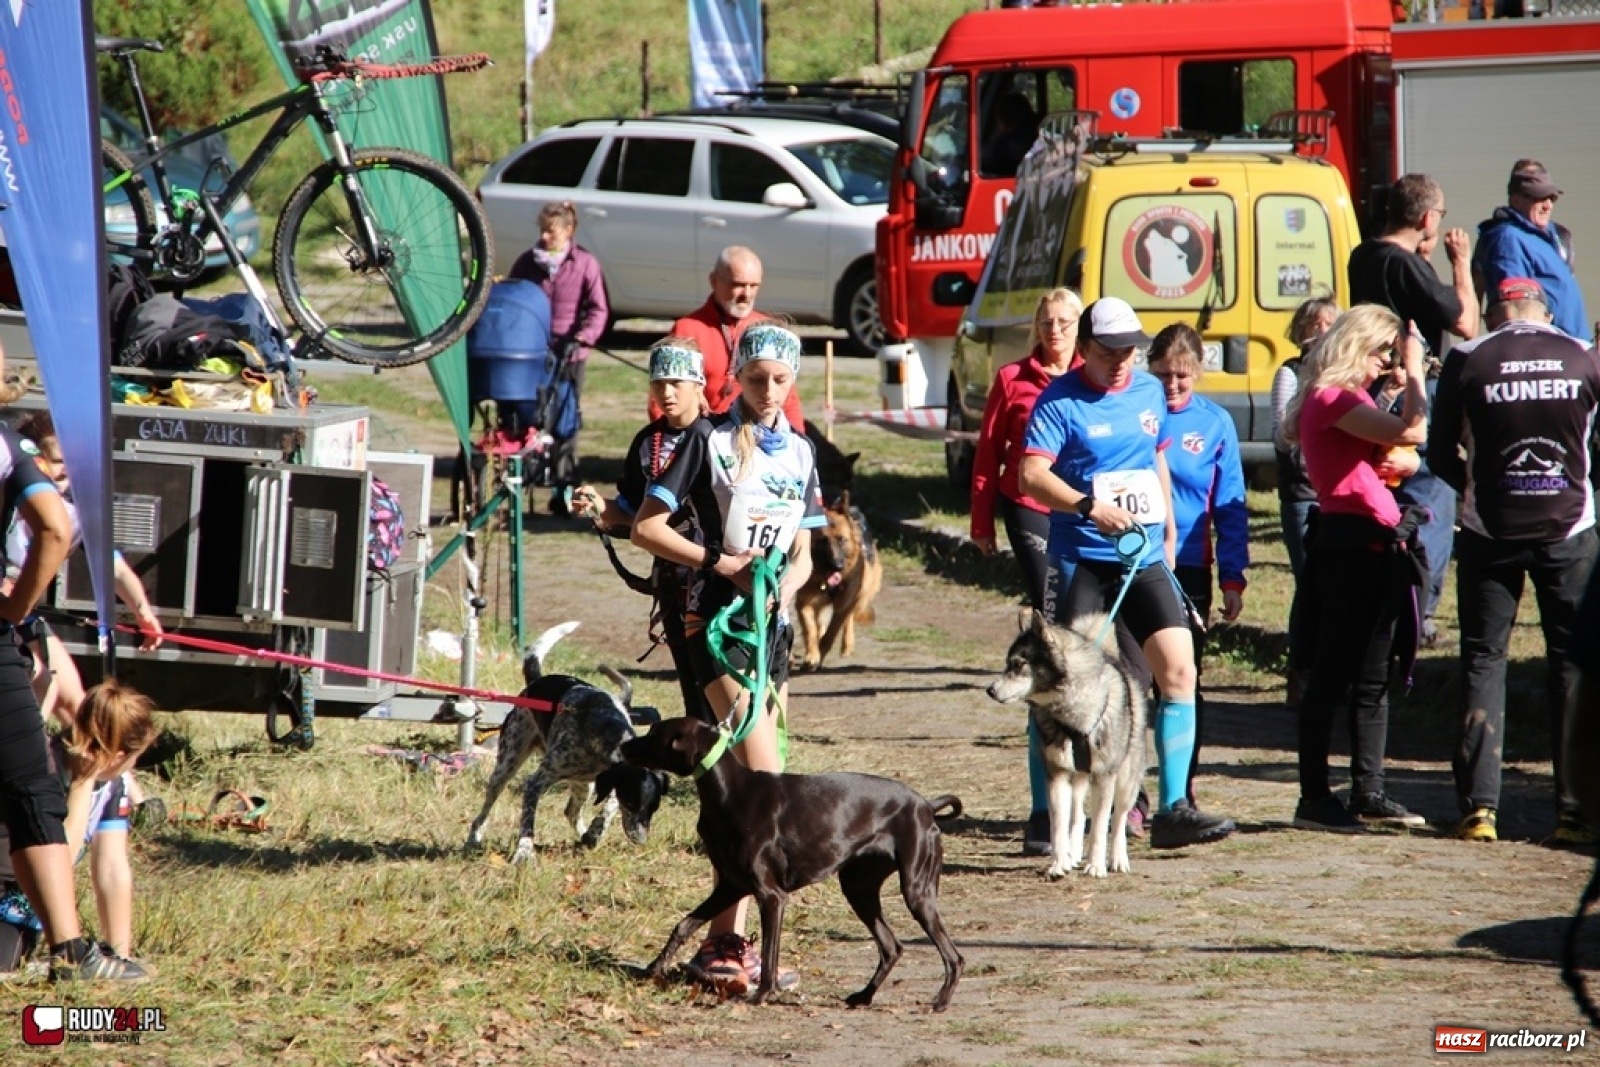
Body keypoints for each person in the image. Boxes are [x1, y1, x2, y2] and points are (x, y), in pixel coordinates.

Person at [631, 322, 824, 996]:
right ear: (735, 377)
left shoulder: (800, 451)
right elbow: (646, 527)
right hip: (711, 624)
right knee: (764, 785)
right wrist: (724, 564)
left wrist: (788, 584)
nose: (768, 391)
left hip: (771, 630)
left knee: (753, 786)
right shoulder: (705, 441)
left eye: (780, 380)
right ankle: (724, 942)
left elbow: (802, 544)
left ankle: (728, 941)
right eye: (756, 378)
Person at [1018, 297, 1236, 850]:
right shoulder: (1058, 401)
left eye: (1130, 350)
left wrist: (1164, 526)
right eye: (1110, 350)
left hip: (1143, 557)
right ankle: (1046, 814)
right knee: (1060, 685)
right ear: (1086, 347)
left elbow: (1155, 455)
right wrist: (1087, 505)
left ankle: (1173, 808)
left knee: (1179, 672)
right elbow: (1031, 476)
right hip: (1081, 558)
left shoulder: (1146, 391)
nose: (1122, 360)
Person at [1427, 277, 1600, 845]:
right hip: (1570, 527)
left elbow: (1437, 450)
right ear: (1545, 313)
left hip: (1488, 527)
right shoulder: (1582, 356)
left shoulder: (1469, 358)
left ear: (1497, 311)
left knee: (1483, 659)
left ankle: (1479, 810)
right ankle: (1575, 810)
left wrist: (1472, 487)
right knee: (1572, 665)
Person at [0, 422, 140, 979]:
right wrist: (83, 782)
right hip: (17, 889)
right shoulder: (9, 446)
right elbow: (53, 529)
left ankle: (73, 951)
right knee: (31, 790)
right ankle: (71, 950)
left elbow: (113, 871)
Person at [1283, 304, 1429, 832]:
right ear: (1354, 348)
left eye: (1389, 356)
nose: (1381, 366)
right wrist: (1413, 372)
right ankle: (1315, 798)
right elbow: (1412, 433)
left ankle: (1368, 788)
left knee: (1374, 676)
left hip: (1375, 542)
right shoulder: (1331, 397)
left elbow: (1407, 451)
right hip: (1347, 546)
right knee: (1331, 676)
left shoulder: (1353, 399)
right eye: (1378, 355)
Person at [969, 288, 1083, 856]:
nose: (1055, 330)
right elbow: (989, 450)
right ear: (1035, 327)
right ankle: (1043, 811)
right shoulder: (1014, 376)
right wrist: (981, 520)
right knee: (1051, 631)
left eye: (1064, 321)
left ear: (1079, 325)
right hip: (1028, 508)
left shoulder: (1094, 378)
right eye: (1046, 322)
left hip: (1085, 515)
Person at [1348, 173, 1474, 647]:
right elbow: (1464, 321)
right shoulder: (1406, 265)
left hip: (1373, 387)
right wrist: (1460, 263)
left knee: (1382, 491)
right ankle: (1419, 613)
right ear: (1426, 217)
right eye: (1438, 216)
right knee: (1430, 496)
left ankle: (1383, 599)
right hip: (1414, 387)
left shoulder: (1364, 256)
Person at [571, 337, 713, 723]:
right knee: (691, 681)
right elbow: (630, 510)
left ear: (698, 384)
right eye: (658, 383)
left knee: (723, 678)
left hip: (719, 577)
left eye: (676, 383)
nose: (666, 392)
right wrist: (600, 507)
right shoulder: (646, 443)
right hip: (671, 579)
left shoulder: (720, 437)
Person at [5, 412, 163, 728]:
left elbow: (112, 566)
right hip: (8, 613)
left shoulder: (72, 513)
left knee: (75, 704)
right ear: (33, 457)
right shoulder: (11, 498)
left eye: (73, 462)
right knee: (41, 691)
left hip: (21, 617)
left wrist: (143, 613)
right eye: (58, 460)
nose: (67, 470)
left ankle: (85, 773)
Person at [1146, 324, 1248, 805]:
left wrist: (1233, 575)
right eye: (1163, 374)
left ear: (1198, 372)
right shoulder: (1135, 412)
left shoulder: (1215, 423)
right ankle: (1131, 797)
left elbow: (1230, 504)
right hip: (1132, 562)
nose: (1172, 385)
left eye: (1182, 377)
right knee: (1134, 683)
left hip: (1188, 567)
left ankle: (1179, 791)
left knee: (1183, 680)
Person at [0, 681, 157, 974]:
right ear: (119, 757)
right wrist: (82, 784)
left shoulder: (113, 784)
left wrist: (119, 954)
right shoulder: (44, 769)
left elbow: (112, 868)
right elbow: (57, 857)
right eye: (136, 758)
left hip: (25, 912)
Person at [508, 200, 611, 516]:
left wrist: (583, 337)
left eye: (551, 231)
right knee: (529, 413)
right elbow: (514, 297)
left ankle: (563, 486)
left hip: (571, 354)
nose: (545, 237)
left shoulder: (584, 264)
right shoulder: (528, 262)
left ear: (568, 231)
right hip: (533, 353)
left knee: (566, 418)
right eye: (542, 230)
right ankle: (522, 475)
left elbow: (598, 309)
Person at [655, 247, 805, 433]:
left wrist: (796, 441)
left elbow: (788, 397)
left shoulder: (769, 331)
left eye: (754, 285)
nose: (747, 294)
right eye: (738, 284)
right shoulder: (688, 329)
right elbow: (663, 396)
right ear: (714, 281)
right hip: (703, 439)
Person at [1474, 162, 1590, 343]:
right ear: (1515, 201)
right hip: (1547, 356)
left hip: (1571, 350)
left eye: (1552, 198)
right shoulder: (1509, 239)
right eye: (1540, 198)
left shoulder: (1549, 237)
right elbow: (1515, 312)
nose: (1548, 205)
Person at [1272, 297, 1340, 579]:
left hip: (1340, 494)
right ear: (1301, 332)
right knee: (1310, 580)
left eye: (1330, 324)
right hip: (1304, 492)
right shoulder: (1290, 373)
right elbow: (1281, 437)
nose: (1322, 331)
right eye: (1315, 324)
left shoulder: (1348, 375)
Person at [981, 89, 1040, 178]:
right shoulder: (1042, 138)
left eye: (997, 121)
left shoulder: (1004, 147)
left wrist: (996, 136)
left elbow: (983, 157)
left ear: (1002, 121)